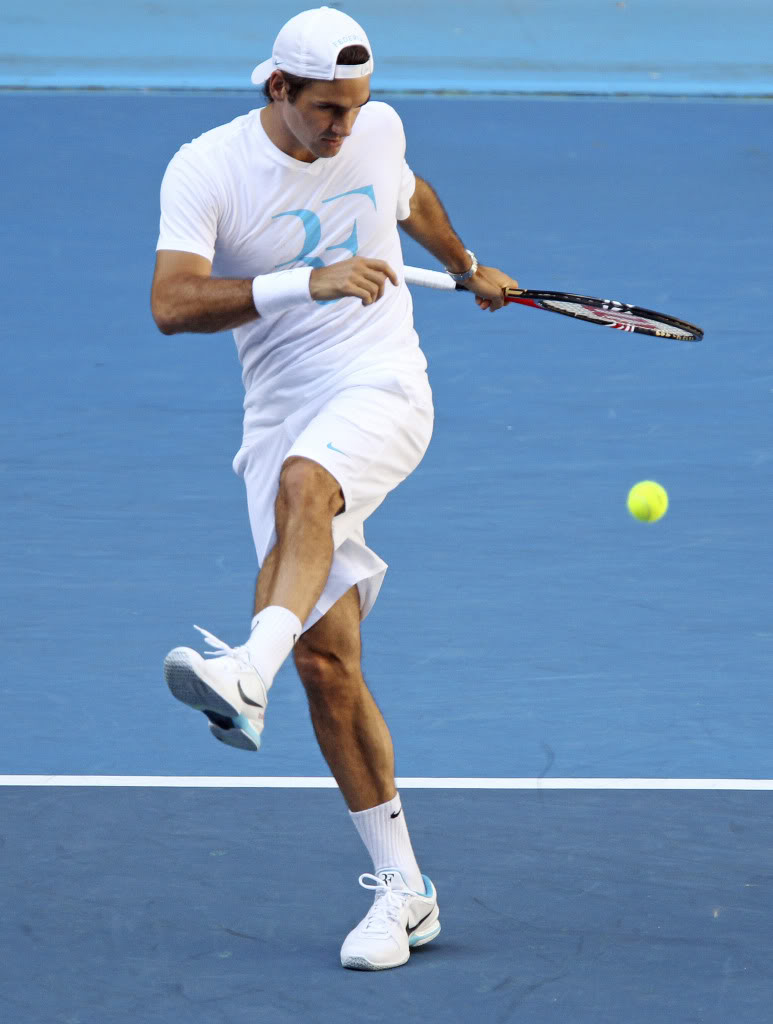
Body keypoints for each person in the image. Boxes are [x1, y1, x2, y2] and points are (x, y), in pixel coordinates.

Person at [151, 5, 518, 971]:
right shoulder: (207, 168)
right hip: (278, 408)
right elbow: (171, 303)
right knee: (329, 664)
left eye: (353, 108)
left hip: (382, 388)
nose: (342, 128)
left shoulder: (375, 128)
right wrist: (300, 283)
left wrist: (465, 264)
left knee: (309, 488)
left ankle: (242, 674)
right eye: (324, 110)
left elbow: (406, 192)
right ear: (276, 89)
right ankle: (405, 892)